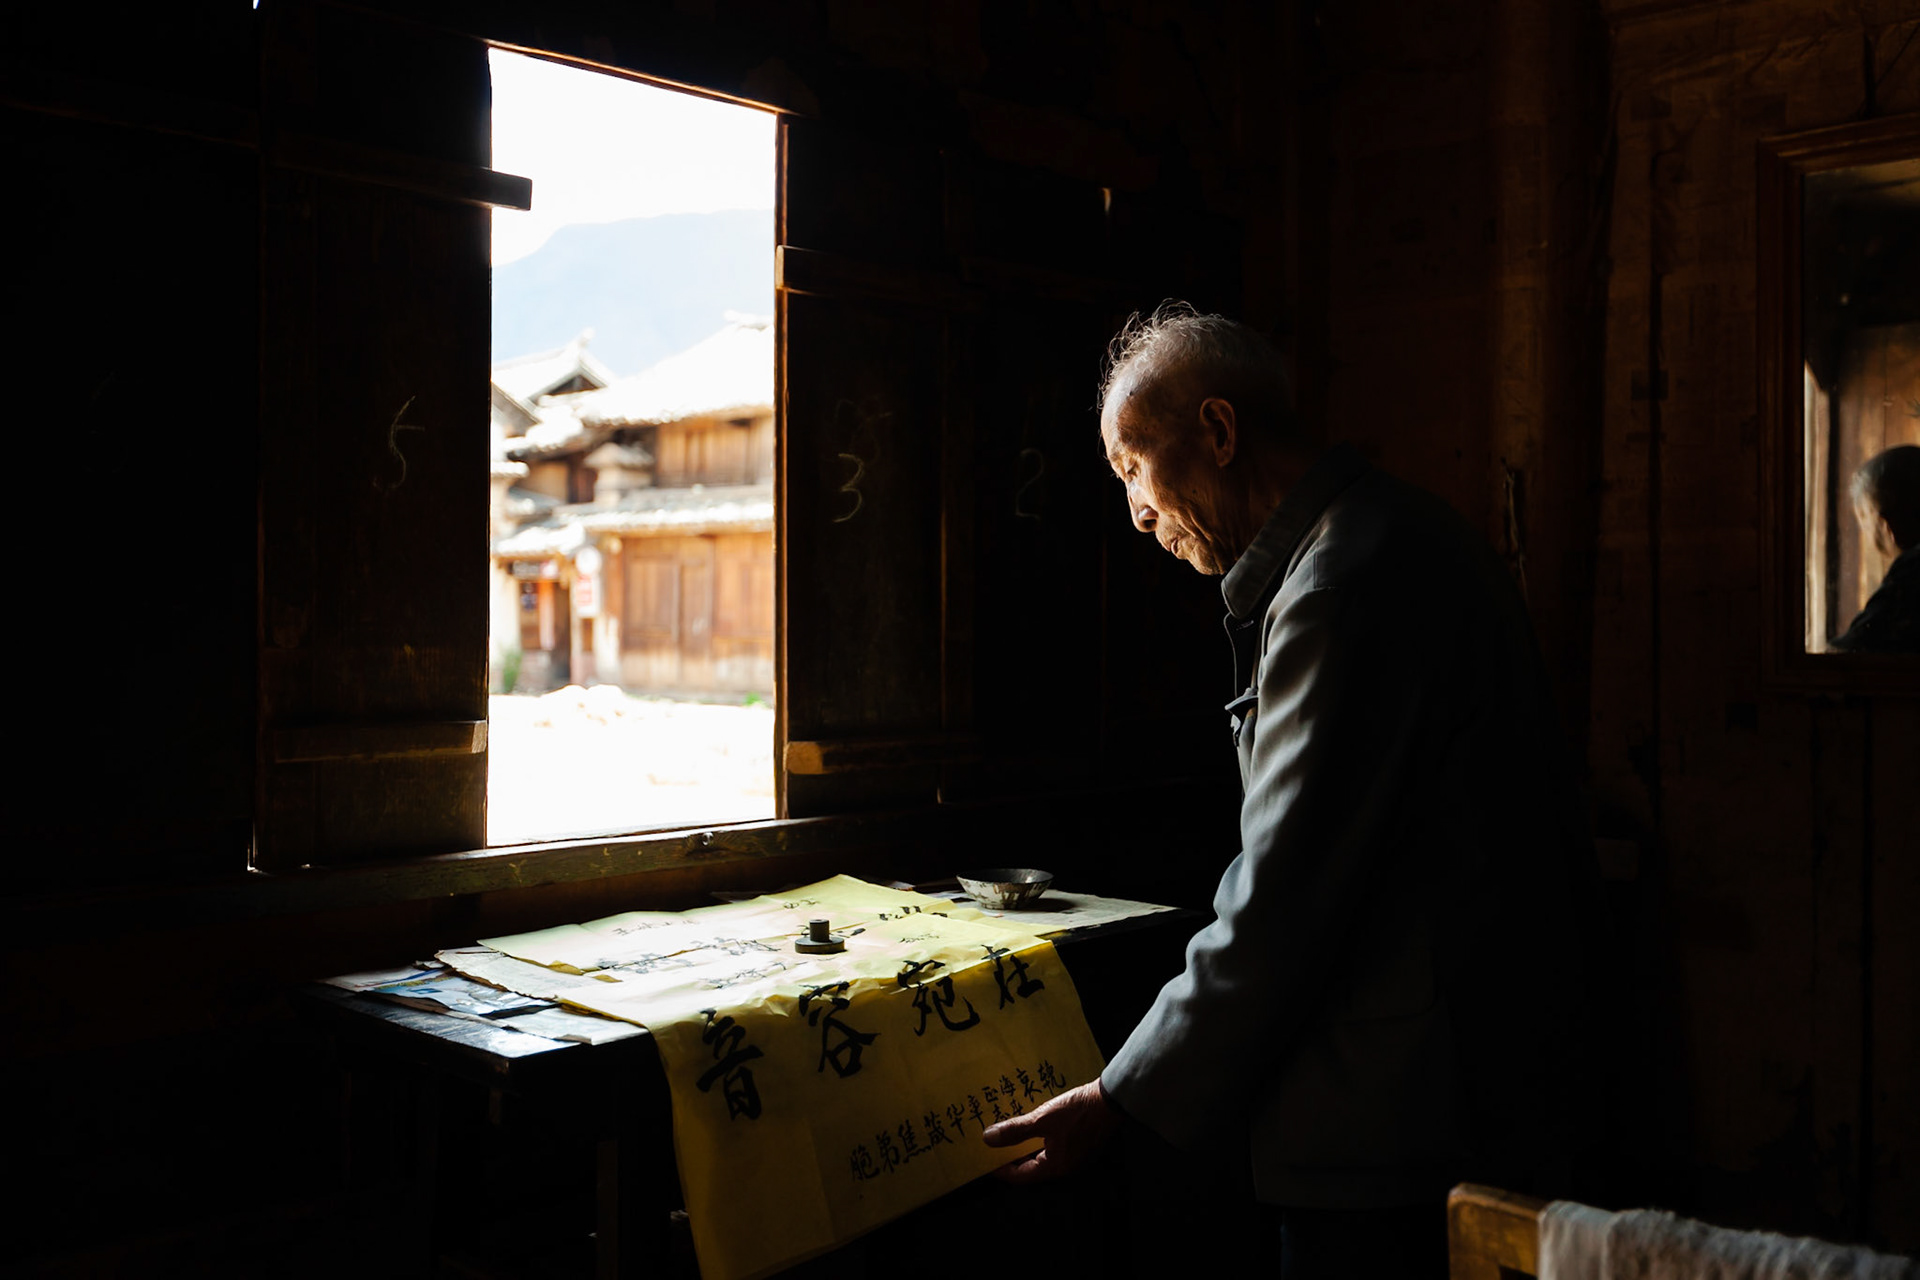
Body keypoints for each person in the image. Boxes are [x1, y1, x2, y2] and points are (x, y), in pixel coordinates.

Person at [982, 304, 1597, 1278]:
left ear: (1219, 432)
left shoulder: (1336, 587)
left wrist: (1122, 1097)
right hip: (1475, 1079)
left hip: (1396, 1112)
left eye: (1134, 466)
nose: (1136, 509)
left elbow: (1284, 892)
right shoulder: (1393, 531)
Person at [1830, 443, 1920, 654]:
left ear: (1885, 523)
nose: (1863, 530)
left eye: (1863, 517)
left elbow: (1853, 648)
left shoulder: (1911, 570)